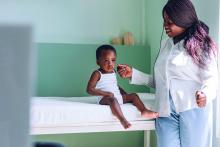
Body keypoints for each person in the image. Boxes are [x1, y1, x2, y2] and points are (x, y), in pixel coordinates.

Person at [117, 0, 218, 146]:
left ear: (183, 19)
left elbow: (212, 78)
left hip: (192, 109)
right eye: (164, 20)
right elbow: (162, 81)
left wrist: (205, 94)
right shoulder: (165, 44)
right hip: (165, 110)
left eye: (170, 22)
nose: (165, 25)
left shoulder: (202, 44)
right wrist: (134, 74)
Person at [87, 44, 159, 129]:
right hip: (105, 99)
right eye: (106, 60)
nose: (110, 64)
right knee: (112, 100)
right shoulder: (97, 73)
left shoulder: (113, 71)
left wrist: (124, 94)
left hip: (117, 97)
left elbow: (115, 85)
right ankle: (122, 120)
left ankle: (144, 111)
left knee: (134, 96)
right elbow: (90, 89)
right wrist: (106, 94)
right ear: (98, 62)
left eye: (113, 60)